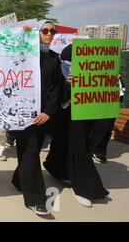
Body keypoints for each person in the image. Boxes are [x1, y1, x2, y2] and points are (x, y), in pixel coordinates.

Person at [43, 43, 110, 207]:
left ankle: (84, 188)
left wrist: (106, 81)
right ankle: (59, 169)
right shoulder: (58, 68)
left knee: (78, 148)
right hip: (62, 116)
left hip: (81, 117)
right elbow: (54, 92)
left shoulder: (91, 69)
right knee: (62, 143)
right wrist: (68, 84)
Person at [9, 20, 62, 216]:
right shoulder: (25, 54)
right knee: (30, 152)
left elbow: (56, 88)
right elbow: (6, 55)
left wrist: (48, 112)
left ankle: (18, 180)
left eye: (52, 31)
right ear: (36, 33)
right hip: (24, 113)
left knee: (30, 151)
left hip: (43, 115)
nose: (49, 34)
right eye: (45, 31)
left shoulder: (54, 58)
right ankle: (36, 198)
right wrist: (20, 35)